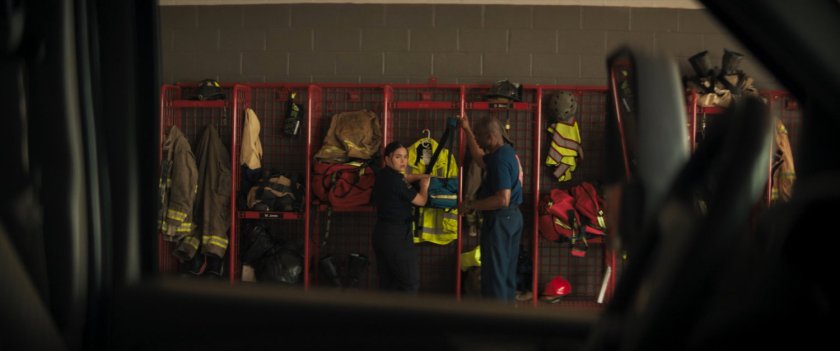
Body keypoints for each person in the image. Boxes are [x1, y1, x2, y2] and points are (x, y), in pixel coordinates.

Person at [459, 114, 524, 302]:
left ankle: (494, 322)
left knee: (494, 274)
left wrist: (471, 205)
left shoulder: (498, 161)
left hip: (500, 219)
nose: (478, 141)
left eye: (480, 137)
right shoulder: (506, 152)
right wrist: (467, 130)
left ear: (490, 137)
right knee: (506, 274)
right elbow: (479, 159)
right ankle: (506, 318)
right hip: (513, 219)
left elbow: (502, 199)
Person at [372, 141, 430, 293]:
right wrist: (425, 185)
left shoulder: (382, 175)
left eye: (405, 157)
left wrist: (420, 176)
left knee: (388, 284)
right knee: (410, 283)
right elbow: (421, 201)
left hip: (381, 233)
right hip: (397, 237)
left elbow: (405, 178)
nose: (403, 161)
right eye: (398, 157)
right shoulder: (397, 182)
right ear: (387, 159)